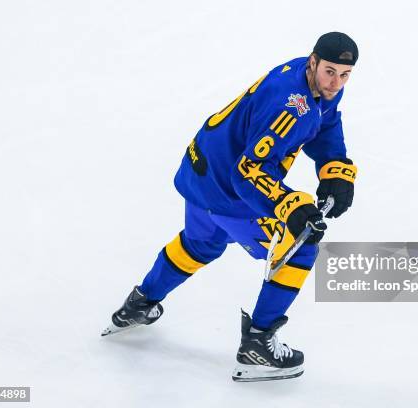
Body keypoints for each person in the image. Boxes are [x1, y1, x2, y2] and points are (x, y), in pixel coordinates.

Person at [103, 32, 359, 382]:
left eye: (345, 74)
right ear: (314, 61)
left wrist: (335, 169)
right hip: (228, 186)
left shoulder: (311, 78)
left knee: (200, 244)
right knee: (300, 245)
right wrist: (289, 205)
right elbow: (249, 171)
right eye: (331, 71)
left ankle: (139, 304)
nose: (336, 82)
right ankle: (258, 344)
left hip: (202, 171)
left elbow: (324, 119)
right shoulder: (289, 104)